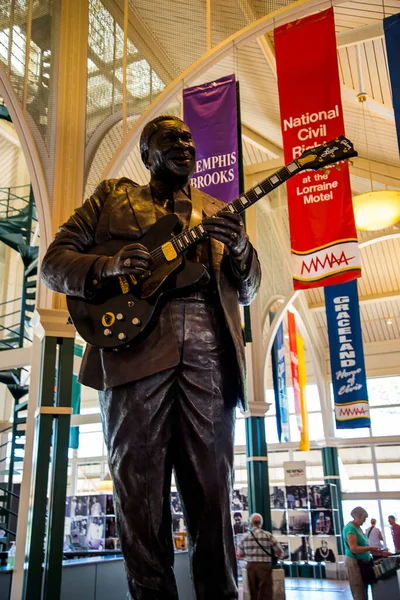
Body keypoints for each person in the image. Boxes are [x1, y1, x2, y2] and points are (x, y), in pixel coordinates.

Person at [41, 114, 261, 600]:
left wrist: (242, 246)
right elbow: (54, 262)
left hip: (208, 349)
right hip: (133, 350)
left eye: (189, 138)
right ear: (147, 153)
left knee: (212, 495)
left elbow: (247, 289)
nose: (185, 144)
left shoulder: (217, 210)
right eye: (170, 138)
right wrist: (108, 265)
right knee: (139, 500)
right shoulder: (112, 198)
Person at [343, 506, 389, 600]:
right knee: (359, 592)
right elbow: (354, 548)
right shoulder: (350, 528)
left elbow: (364, 547)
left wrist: (380, 553)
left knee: (364, 590)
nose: (365, 520)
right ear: (358, 517)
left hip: (363, 563)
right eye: (364, 518)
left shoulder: (359, 528)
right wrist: (371, 548)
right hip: (355, 563)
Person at [239, 513, 282, 600]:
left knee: (253, 591)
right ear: (261, 523)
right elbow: (279, 550)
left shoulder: (244, 537)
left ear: (251, 523)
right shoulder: (268, 535)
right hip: (265, 566)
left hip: (250, 566)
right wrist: (275, 560)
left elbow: (240, 554)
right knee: (266, 592)